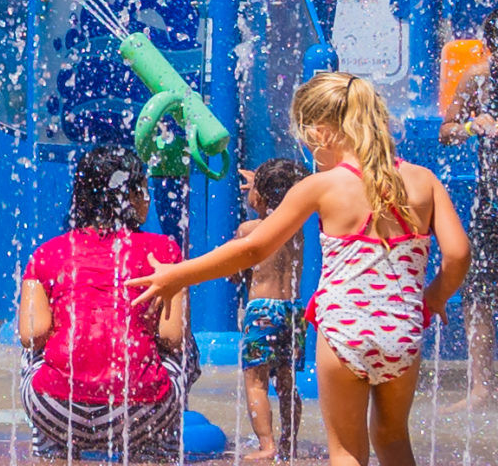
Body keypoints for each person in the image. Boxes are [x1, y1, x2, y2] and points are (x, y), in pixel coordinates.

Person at [128, 72, 470, 466]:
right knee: (393, 439)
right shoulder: (423, 180)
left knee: (346, 449)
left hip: (346, 330)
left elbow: (254, 248)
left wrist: (179, 274)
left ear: (323, 133)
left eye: (308, 140)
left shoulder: (322, 186)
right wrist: (434, 297)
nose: (310, 151)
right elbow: (459, 254)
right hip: (403, 332)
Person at [18, 145, 200, 460]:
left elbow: (31, 334)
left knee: (32, 351)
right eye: (143, 189)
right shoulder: (164, 253)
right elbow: (173, 337)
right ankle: (158, 453)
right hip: (143, 412)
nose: (148, 198)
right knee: (186, 348)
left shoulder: (47, 254)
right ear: (129, 196)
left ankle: (52, 454)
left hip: (56, 409)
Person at [439, 7, 498, 411]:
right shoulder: (477, 79)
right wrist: (472, 126)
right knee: (477, 292)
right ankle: (480, 388)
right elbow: (447, 131)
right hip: (490, 204)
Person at [232, 158, 309, 460]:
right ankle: (289, 442)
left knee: (256, 383)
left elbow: (235, 271)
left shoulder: (249, 229)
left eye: (251, 191)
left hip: (262, 309)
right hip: (293, 310)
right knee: (286, 383)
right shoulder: (297, 229)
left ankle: (266, 445)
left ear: (260, 198)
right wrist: (263, 184)